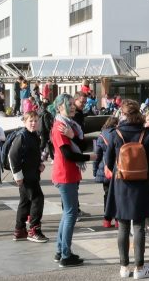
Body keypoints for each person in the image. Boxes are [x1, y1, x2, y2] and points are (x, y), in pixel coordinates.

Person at [104, 100, 149, 279]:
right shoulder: (147, 134)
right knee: (139, 226)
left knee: (122, 226)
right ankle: (139, 268)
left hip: (121, 183)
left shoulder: (116, 133)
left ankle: (123, 267)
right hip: (142, 183)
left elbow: (108, 161)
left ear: (123, 114)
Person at [49, 94, 91, 266]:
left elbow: (81, 144)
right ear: (59, 107)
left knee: (68, 213)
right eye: (69, 104)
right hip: (65, 174)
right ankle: (65, 254)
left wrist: (73, 135)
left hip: (69, 173)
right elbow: (68, 154)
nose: (73, 107)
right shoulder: (59, 126)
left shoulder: (70, 125)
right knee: (71, 213)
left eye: (74, 104)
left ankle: (61, 251)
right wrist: (89, 157)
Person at [9, 110, 50, 243]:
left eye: (35, 121)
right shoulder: (22, 136)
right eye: (30, 121)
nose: (33, 123)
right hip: (26, 176)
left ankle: (19, 230)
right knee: (38, 199)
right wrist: (17, 176)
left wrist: (39, 164)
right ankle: (34, 230)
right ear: (24, 122)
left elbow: (32, 155)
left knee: (25, 202)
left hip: (32, 174)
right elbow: (13, 156)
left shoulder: (33, 135)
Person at [94, 117, 120, 228]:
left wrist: (95, 171)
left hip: (105, 170)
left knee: (107, 195)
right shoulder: (119, 134)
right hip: (118, 169)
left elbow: (97, 155)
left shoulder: (101, 136)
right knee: (118, 195)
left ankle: (107, 220)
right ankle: (118, 220)